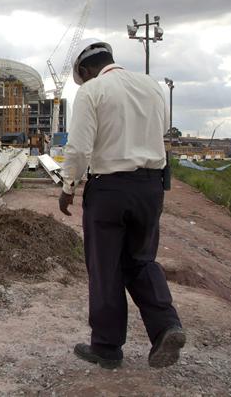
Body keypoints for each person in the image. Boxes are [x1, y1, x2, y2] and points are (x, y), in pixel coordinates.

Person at [58, 39, 184, 370]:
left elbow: (80, 149)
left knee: (106, 268)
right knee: (141, 261)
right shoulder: (152, 86)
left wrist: (68, 186)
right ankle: (166, 326)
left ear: (85, 71)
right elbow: (159, 132)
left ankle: (107, 347)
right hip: (150, 187)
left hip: (110, 190)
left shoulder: (92, 91)